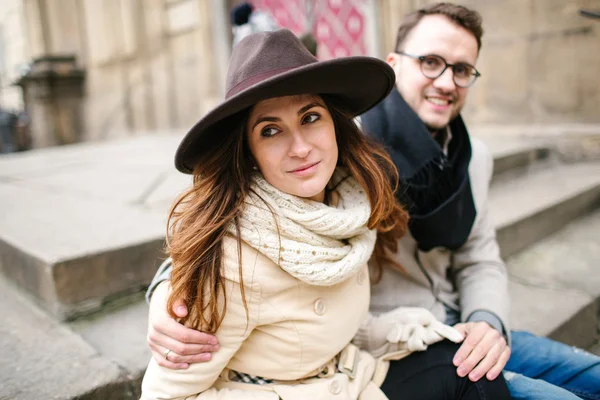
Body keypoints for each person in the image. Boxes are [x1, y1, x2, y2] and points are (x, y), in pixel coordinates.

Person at [145, 3, 600, 399]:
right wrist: (171, 296)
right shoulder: (348, 146)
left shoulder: (470, 155)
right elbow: (237, 228)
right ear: (394, 62)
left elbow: (480, 256)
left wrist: (486, 320)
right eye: (431, 62)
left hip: (449, 327)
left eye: (462, 69)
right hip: (380, 334)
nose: (446, 81)